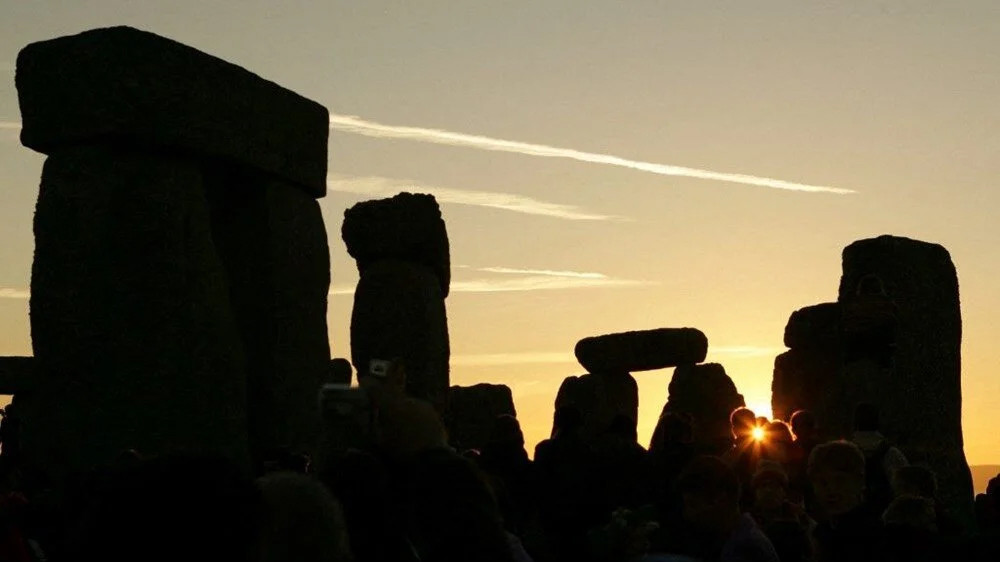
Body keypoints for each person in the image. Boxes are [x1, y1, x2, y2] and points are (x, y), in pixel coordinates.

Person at [674, 456, 779, 562]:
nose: (688, 514)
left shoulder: (744, 549)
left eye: (693, 505)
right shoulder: (741, 537)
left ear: (720, 500)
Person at [808, 441, 885, 562]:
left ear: (859, 481)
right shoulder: (823, 531)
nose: (831, 490)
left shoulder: (872, 535)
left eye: (840, 481)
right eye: (823, 483)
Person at [749, 461, 813, 562]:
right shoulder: (747, 522)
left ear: (784, 492)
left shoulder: (799, 518)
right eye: (763, 485)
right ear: (755, 492)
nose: (768, 490)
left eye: (775, 486)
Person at [851, 403, 907, 515]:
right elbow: (905, 490)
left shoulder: (843, 453)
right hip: (884, 519)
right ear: (878, 422)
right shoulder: (892, 454)